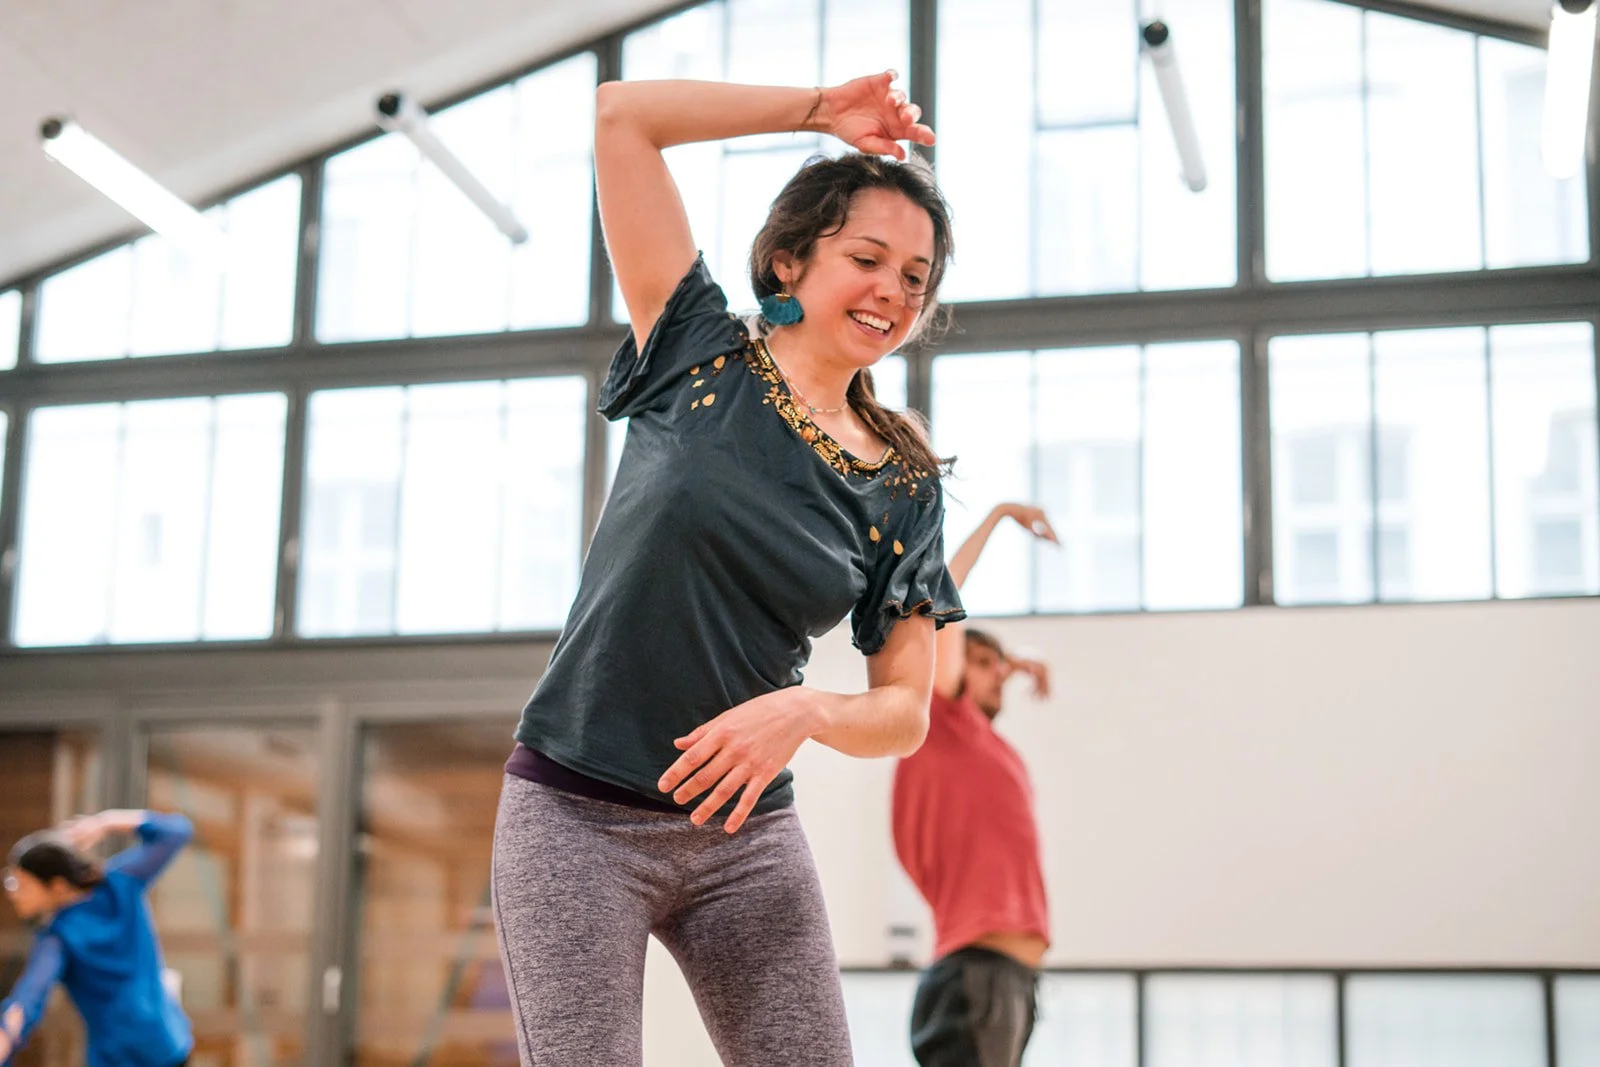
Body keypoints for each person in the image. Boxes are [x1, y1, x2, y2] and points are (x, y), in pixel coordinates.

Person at [490, 70, 965, 1066]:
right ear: (790, 262)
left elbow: (905, 710)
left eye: (915, 279)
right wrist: (818, 110)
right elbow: (625, 115)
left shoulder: (904, 483)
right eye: (867, 257)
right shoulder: (696, 351)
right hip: (575, 811)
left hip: (742, 835)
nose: (891, 290)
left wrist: (806, 711)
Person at [892, 502, 1059, 1067]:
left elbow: (993, 666)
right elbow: (944, 592)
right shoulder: (942, 719)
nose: (998, 673)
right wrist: (998, 516)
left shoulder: (989, 745)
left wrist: (1018, 662)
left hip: (1009, 979)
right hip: (976, 978)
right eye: (984, 663)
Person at [0, 808, 194, 1067]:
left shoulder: (58, 937)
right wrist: (107, 822)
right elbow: (175, 832)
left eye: (21, 885)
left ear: (57, 886)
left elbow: (30, 996)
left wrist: (6, 1035)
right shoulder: (118, 882)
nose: (13, 894)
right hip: (167, 1042)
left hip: (120, 1057)